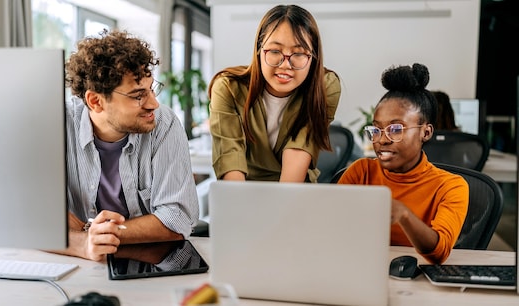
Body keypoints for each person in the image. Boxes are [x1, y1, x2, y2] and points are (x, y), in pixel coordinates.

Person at [48, 29, 199, 262]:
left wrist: (96, 234)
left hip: (149, 264)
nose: (154, 104)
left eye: (151, 88)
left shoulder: (164, 124)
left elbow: (177, 218)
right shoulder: (56, 123)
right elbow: (27, 216)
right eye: (138, 95)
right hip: (75, 263)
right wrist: (81, 245)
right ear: (95, 101)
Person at [337, 63, 468, 264]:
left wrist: (404, 215)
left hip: (419, 279)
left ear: (426, 132)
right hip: (360, 267)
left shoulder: (451, 186)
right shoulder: (361, 171)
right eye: (376, 130)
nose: (382, 139)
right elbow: (332, 226)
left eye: (396, 129)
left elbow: (439, 252)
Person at [208, 4, 341, 183]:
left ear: (313, 57)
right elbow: (230, 158)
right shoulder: (228, 87)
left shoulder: (325, 86)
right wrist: (240, 207)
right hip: (245, 192)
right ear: (258, 50)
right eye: (275, 51)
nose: (285, 64)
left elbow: (299, 151)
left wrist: (279, 209)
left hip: (295, 193)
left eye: (299, 53)